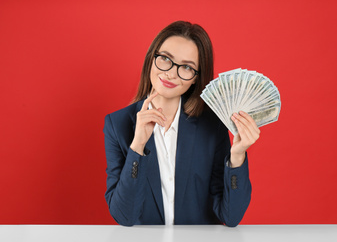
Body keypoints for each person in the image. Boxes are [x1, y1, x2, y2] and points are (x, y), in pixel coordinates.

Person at [103, 21, 260, 227]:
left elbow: (230, 217)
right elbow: (125, 216)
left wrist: (237, 156)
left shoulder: (213, 125)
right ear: (152, 58)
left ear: (196, 78)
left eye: (186, 67)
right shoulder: (117, 124)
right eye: (166, 59)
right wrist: (137, 147)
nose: (171, 73)